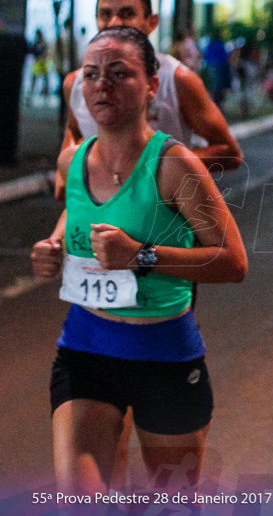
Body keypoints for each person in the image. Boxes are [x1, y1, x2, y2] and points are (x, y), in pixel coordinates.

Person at [30, 26, 247, 496]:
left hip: (164, 355)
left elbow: (233, 261)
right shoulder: (73, 163)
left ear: (151, 84)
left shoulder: (174, 164)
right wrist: (53, 247)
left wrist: (140, 256)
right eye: (91, 75)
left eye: (118, 73)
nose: (101, 85)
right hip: (85, 350)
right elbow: (78, 212)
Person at [59, 0, 242, 195]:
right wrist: (66, 168)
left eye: (127, 14)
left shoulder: (177, 80)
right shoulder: (76, 83)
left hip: (162, 219)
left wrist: (159, 168)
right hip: (99, 219)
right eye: (105, 14)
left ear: (151, 22)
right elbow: (75, 129)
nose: (114, 23)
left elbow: (229, 152)